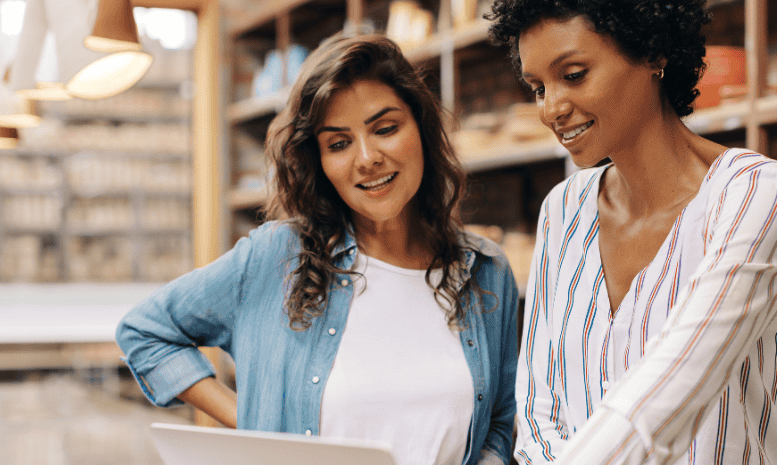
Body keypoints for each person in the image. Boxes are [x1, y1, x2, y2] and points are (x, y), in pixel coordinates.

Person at [116, 35, 518, 465]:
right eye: (339, 143)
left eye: (385, 129)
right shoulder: (279, 257)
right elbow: (146, 331)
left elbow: (500, 417)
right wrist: (255, 426)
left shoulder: (485, 270)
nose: (367, 158)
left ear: (421, 127)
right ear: (319, 161)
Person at [487, 0, 777, 463]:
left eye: (573, 74)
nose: (551, 108)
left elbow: (678, 383)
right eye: (538, 88)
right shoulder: (562, 210)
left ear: (653, 53)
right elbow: (540, 412)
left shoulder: (752, 193)